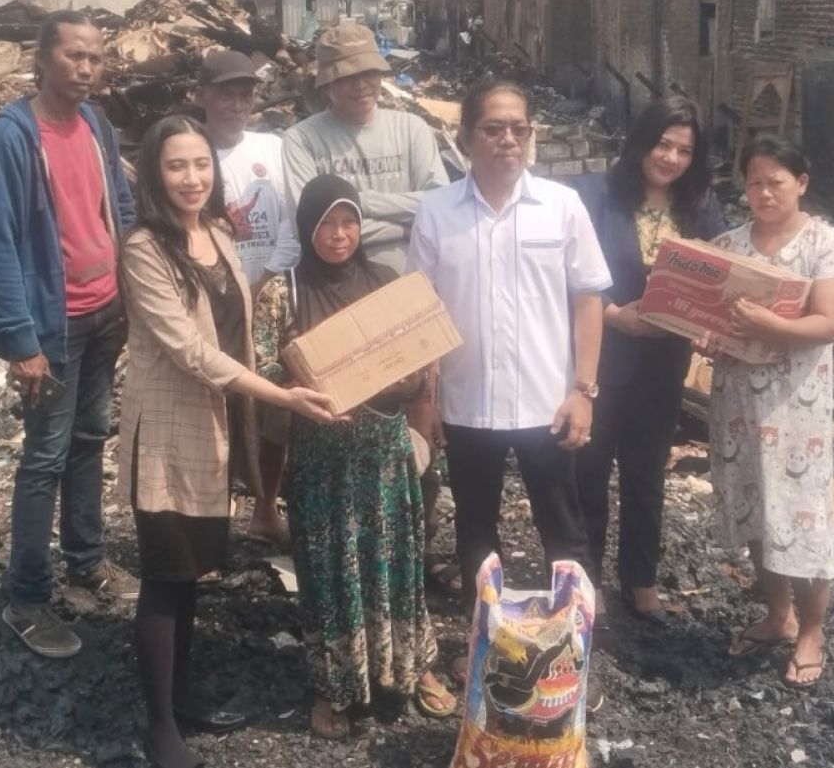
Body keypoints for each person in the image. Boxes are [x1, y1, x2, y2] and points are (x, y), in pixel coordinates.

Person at [118, 116, 339, 768]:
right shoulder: (143, 248)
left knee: (189, 576)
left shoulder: (216, 231)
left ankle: (181, 701)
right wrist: (279, 397)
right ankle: (159, 727)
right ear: (155, 175)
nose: (192, 178)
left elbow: (238, 329)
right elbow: (191, 350)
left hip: (211, 430)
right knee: (164, 576)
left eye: (201, 164)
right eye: (176, 166)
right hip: (164, 433)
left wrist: (292, 373)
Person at [406, 80, 612, 684]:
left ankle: (572, 657)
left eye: (519, 128)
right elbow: (422, 313)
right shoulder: (437, 212)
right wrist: (428, 398)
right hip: (468, 403)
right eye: (493, 128)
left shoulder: (561, 206)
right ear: (467, 136)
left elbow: (588, 299)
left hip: (548, 402)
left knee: (563, 529)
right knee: (476, 525)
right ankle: (490, 646)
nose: (507, 139)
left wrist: (585, 390)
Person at [254, 174, 455, 740]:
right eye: (326, 224)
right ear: (306, 227)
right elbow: (260, 366)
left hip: (384, 452)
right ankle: (335, 685)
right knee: (331, 569)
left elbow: (421, 359)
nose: (339, 235)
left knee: (394, 564)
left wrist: (419, 395)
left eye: (349, 222)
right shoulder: (284, 291)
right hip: (323, 459)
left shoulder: (385, 283)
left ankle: (410, 667)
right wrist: (301, 377)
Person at [0, 9, 139, 660]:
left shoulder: (96, 125)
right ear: (41, 58)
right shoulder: (11, 138)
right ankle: (26, 596)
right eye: (74, 55)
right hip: (55, 323)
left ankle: (86, 560)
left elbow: (118, 209)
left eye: (96, 56)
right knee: (44, 456)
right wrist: (20, 341)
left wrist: (130, 287)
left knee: (89, 439)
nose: (86, 66)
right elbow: (0, 244)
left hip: (104, 314)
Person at [700, 134, 834, 688]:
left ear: (801, 183)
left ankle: (812, 630)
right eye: (754, 182)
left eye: (776, 181)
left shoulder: (827, 247)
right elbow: (708, 313)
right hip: (735, 403)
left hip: (794, 409)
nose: (764, 192)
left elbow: (827, 323)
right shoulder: (729, 245)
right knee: (754, 507)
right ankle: (778, 615)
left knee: (803, 517)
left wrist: (766, 326)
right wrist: (704, 333)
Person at [572, 96, 725, 624]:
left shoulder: (699, 208)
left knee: (645, 476)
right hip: (600, 356)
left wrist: (709, 323)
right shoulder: (593, 196)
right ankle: (584, 583)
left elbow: (719, 277)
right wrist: (613, 315)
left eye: (684, 150)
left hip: (663, 363)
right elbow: (565, 274)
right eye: (663, 144)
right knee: (587, 471)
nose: (672, 158)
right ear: (642, 140)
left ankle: (640, 581)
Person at [196, 49, 301, 547]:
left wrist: (268, 279)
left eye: (245, 94)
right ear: (202, 96)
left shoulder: (274, 148)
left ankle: (264, 506)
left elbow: (292, 220)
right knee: (216, 406)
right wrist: (231, 286)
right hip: (214, 299)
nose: (236, 104)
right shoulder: (193, 153)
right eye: (225, 93)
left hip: (274, 295)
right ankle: (210, 517)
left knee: (274, 407)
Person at [281, 22, 450, 275]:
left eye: (369, 73)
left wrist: (363, 202)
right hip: (335, 285)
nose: (361, 85)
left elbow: (440, 205)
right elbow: (311, 225)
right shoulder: (302, 139)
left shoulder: (412, 129)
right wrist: (405, 228)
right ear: (327, 84)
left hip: (411, 280)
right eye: (348, 76)